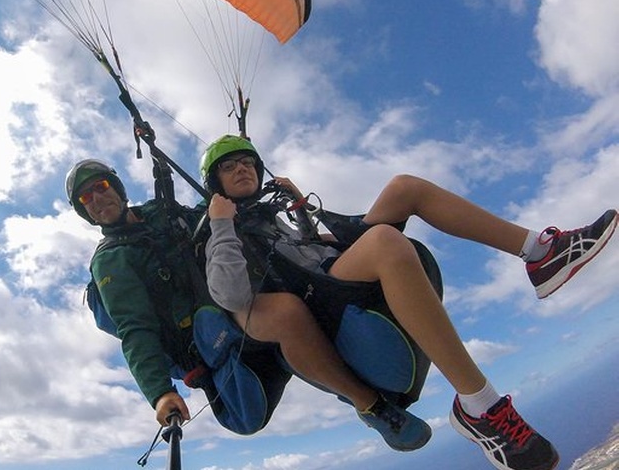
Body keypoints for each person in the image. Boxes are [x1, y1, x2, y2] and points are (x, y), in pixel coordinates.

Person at [200, 134, 617, 470]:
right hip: (323, 301)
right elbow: (232, 295)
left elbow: (313, 248)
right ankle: (480, 408)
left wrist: (302, 211)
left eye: (248, 162)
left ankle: (541, 254)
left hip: (333, 274)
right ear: (215, 183)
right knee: (384, 241)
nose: (242, 168)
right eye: (229, 166)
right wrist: (220, 223)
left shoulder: (270, 220)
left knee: (404, 187)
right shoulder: (220, 234)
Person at [66, 158, 432, 451]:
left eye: (99, 188)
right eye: (86, 199)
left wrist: (252, 194)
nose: (97, 199)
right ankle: (371, 405)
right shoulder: (110, 261)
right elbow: (135, 330)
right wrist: (160, 393)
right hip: (205, 331)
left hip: (227, 290)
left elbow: (210, 216)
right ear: (84, 211)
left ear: (115, 187)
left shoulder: (160, 212)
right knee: (285, 312)